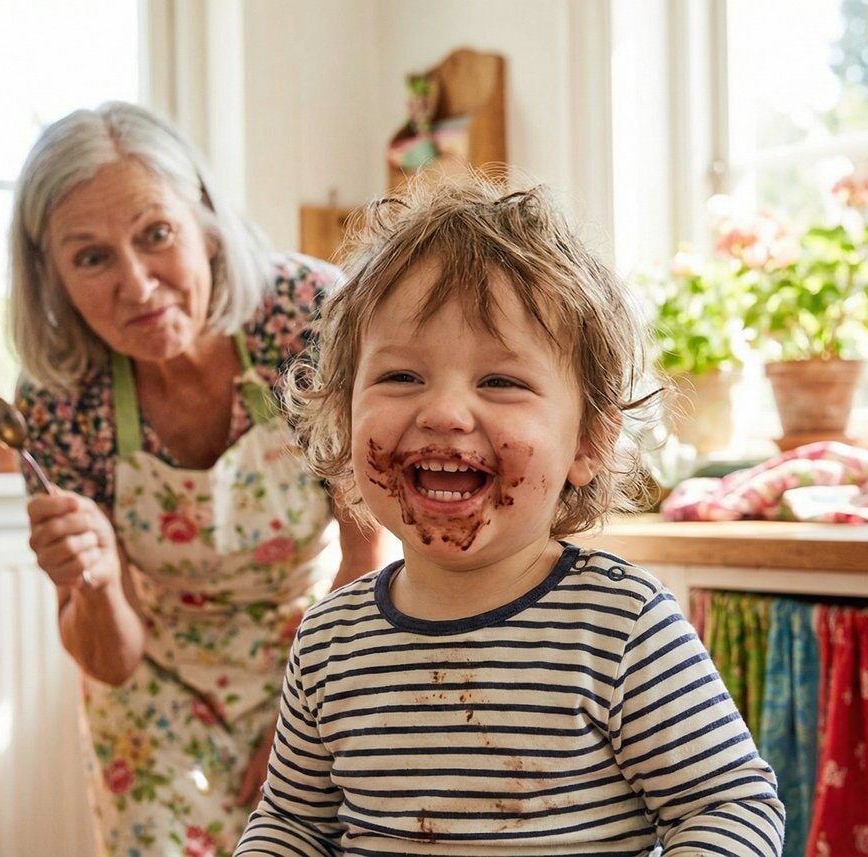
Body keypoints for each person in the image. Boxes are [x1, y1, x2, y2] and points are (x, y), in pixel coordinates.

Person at [234, 176, 786, 855]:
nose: (443, 412)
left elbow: (730, 804)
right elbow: (291, 824)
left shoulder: (620, 624)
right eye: (401, 376)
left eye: (500, 381)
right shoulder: (327, 644)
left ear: (588, 443)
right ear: (342, 417)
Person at [9, 102, 391, 856]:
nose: (138, 284)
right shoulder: (57, 400)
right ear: (50, 276)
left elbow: (365, 553)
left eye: (156, 235)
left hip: (318, 656)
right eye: (91, 258)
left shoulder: (306, 316)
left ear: (207, 223)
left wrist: (302, 725)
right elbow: (111, 657)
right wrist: (92, 577)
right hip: (153, 693)